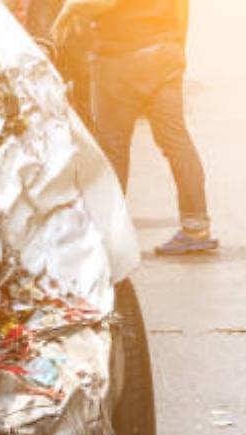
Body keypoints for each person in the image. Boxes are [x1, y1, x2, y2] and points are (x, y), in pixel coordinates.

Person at [52, 0, 217, 255]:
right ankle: (196, 226)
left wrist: (69, 10)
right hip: (164, 51)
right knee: (176, 141)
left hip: (120, 58)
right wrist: (175, 48)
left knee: (113, 147)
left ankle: (108, 232)